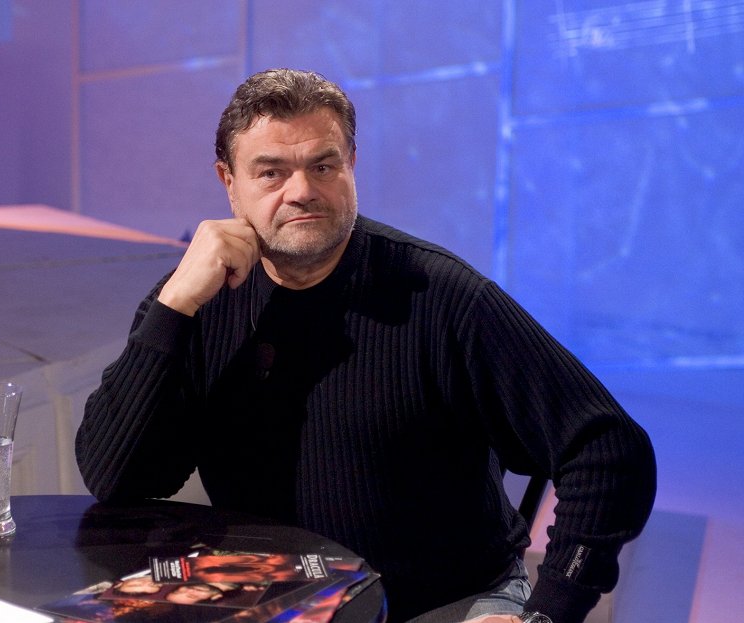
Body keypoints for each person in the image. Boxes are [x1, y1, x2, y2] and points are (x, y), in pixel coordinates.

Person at [75, 68, 656, 623]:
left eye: (323, 165)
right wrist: (173, 306)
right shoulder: (199, 298)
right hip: (274, 603)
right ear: (229, 183)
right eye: (271, 173)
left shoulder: (441, 293)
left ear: (351, 165)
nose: (302, 191)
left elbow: (607, 449)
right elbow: (116, 481)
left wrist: (548, 612)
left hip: (441, 602)